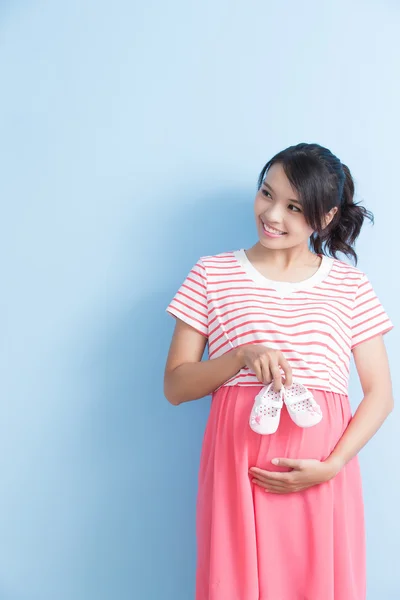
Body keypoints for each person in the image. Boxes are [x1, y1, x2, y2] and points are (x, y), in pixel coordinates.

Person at [163, 142, 394, 600]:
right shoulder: (212, 274)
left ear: (325, 217)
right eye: (266, 194)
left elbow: (380, 394)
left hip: (321, 468)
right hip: (237, 469)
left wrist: (332, 466)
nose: (273, 214)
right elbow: (175, 385)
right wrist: (239, 357)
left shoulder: (349, 284)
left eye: (294, 207)